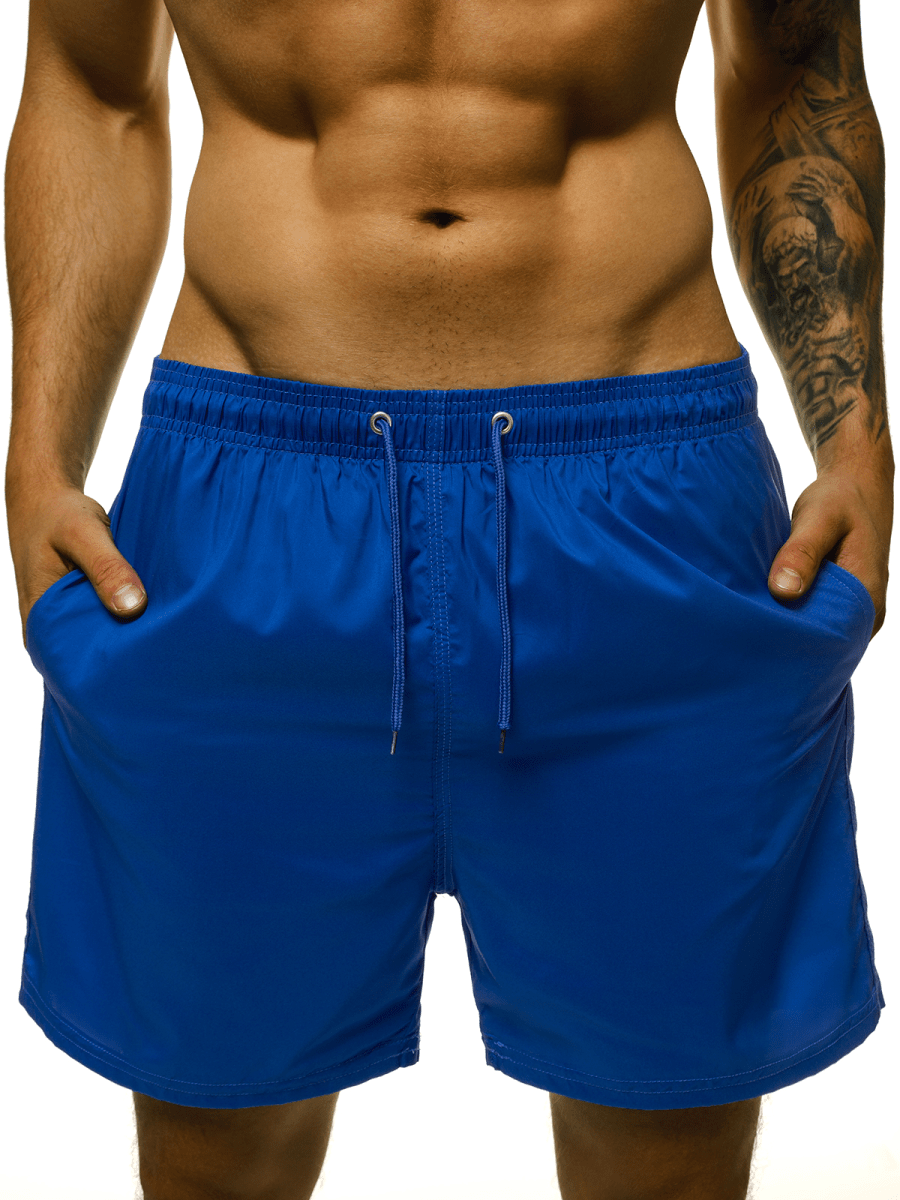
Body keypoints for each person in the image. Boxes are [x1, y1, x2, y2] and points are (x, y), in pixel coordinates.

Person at [4, 0, 892, 1196]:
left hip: (644, 497)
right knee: (218, 1158)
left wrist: (855, 436)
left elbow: (796, 63)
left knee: (666, 1160)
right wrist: (39, 458)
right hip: (249, 503)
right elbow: (93, 84)